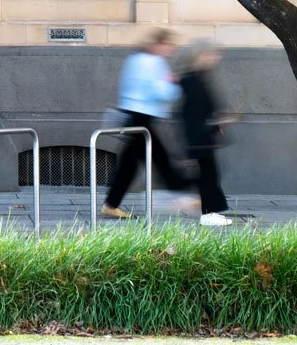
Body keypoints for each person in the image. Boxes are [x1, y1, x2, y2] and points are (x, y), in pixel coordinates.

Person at [100, 29, 197, 219]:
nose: (171, 51)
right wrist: (175, 84)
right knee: (159, 159)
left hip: (134, 115)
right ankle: (179, 195)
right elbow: (159, 92)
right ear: (159, 45)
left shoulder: (136, 60)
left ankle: (111, 204)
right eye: (170, 47)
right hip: (142, 117)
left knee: (131, 164)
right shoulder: (153, 62)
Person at [173, 39, 235, 227]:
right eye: (211, 54)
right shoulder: (191, 79)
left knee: (209, 175)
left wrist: (216, 126)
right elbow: (190, 112)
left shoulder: (199, 77)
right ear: (200, 56)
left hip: (202, 135)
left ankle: (209, 211)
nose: (215, 58)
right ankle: (205, 212)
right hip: (198, 137)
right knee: (207, 176)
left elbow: (206, 108)